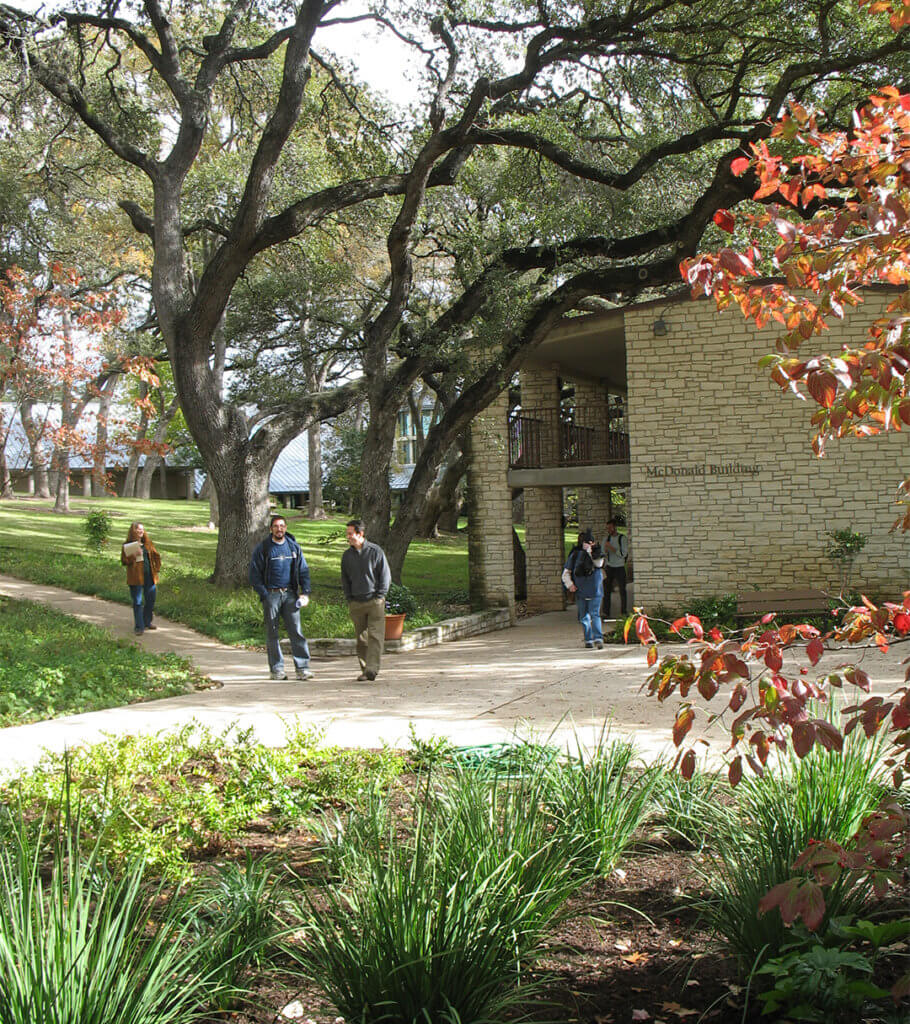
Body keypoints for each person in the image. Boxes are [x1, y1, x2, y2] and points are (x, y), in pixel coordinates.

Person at [248, 514, 314, 681]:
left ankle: (302, 668)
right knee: (273, 633)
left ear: (285, 528)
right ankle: (277, 669)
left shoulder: (293, 547)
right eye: (276, 526)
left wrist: (304, 592)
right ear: (271, 529)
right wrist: (264, 594)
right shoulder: (264, 548)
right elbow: (254, 574)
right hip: (271, 595)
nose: (279, 529)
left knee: (296, 631)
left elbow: (303, 570)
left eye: (282, 526)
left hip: (290, 595)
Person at [341, 519, 391, 681]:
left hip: (374, 602)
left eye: (350, 533)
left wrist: (380, 596)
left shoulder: (375, 552)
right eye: (347, 533)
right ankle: (365, 670)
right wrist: (349, 598)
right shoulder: (347, 556)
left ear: (360, 534)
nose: (348, 537)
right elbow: (345, 579)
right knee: (361, 639)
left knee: (375, 636)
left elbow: (385, 576)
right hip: (356, 602)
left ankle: (372, 669)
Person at [562, 528, 604, 649]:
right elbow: (566, 572)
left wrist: (591, 551)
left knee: (593, 614)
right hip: (582, 591)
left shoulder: (596, 553)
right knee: (585, 616)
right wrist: (570, 585)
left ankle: (597, 638)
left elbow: (598, 563)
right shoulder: (575, 555)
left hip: (595, 591)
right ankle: (589, 639)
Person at [121, 521, 161, 636]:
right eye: (138, 529)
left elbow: (156, 556)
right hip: (136, 578)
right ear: (133, 531)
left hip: (149, 576)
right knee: (138, 602)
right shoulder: (129, 545)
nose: (141, 531)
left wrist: (156, 568)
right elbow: (125, 561)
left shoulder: (148, 544)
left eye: (142, 529)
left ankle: (147, 621)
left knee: (150, 600)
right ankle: (139, 626)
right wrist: (134, 554)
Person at [601, 518, 629, 619]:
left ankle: (624, 611)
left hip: (620, 567)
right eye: (607, 528)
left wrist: (612, 548)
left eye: (610, 527)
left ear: (615, 527)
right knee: (606, 590)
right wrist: (605, 551)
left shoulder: (622, 538)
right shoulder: (606, 539)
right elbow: (602, 553)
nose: (609, 530)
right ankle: (606, 612)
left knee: (622, 590)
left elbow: (623, 554)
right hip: (609, 567)